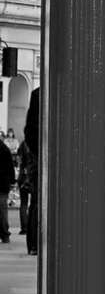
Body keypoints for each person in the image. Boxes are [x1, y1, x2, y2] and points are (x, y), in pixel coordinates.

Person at [23, 87, 39, 256]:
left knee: (35, 203)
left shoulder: (37, 94)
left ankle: (33, 244)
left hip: (38, 160)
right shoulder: (38, 95)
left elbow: (29, 132)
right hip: (40, 159)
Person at [0, 134, 15, 244]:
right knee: (2, 210)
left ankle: (5, 234)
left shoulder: (4, 149)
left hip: (3, 183)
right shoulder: (5, 149)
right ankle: (5, 234)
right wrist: (12, 181)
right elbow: (10, 167)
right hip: (3, 184)